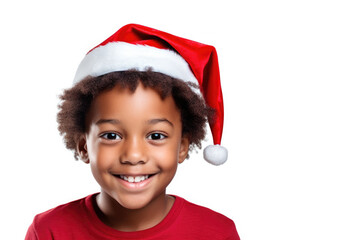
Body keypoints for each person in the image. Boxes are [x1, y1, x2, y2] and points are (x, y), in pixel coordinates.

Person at [25, 24, 240, 240]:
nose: (133, 155)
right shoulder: (48, 232)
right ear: (84, 147)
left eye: (156, 136)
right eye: (111, 136)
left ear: (182, 147)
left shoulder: (217, 233)